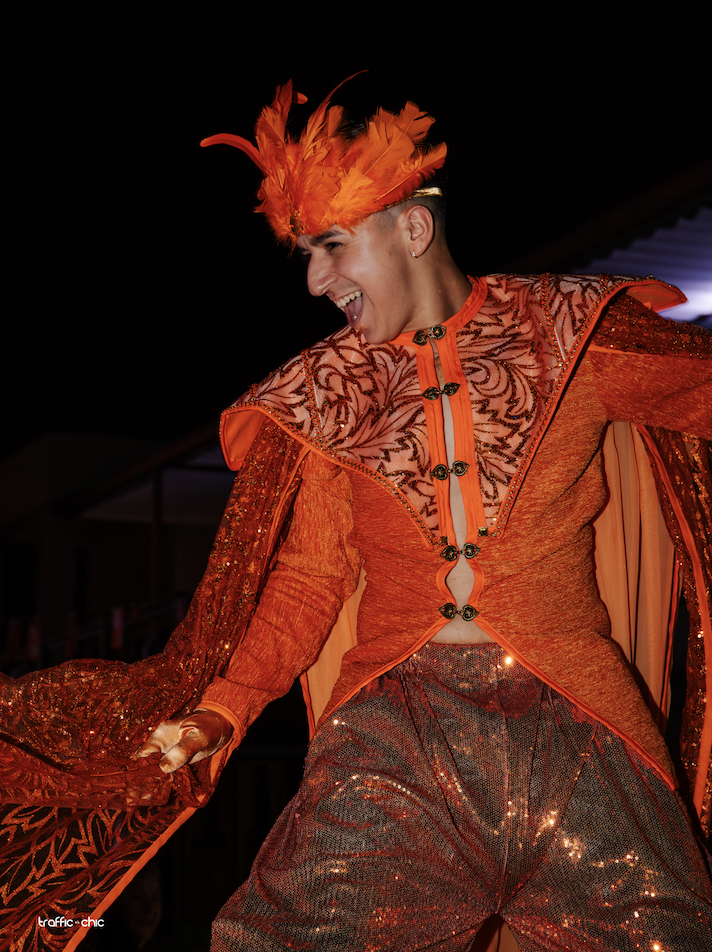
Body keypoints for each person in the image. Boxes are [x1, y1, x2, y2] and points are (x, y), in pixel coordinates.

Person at [1, 78, 710, 951]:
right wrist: (224, 707)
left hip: (584, 737)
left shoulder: (572, 332)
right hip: (390, 746)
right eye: (305, 254)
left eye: (332, 246)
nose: (314, 280)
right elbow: (309, 578)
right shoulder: (325, 391)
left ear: (412, 230)